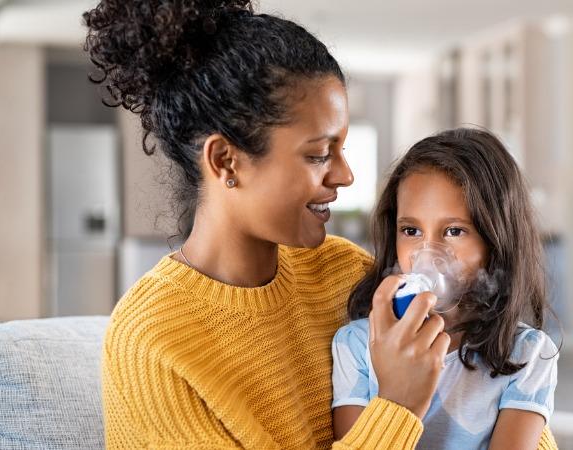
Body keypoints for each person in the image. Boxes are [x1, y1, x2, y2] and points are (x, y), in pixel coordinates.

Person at [83, 0, 449, 448]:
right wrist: (398, 406)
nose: (345, 176)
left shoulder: (346, 274)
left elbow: (489, 396)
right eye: (318, 154)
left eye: (342, 150)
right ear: (225, 160)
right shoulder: (150, 344)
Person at [332, 128, 559, 449]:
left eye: (454, 231)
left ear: (496, 239)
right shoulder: (357, 345)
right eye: (411, 230)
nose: (428, 253)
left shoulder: (526, 354)